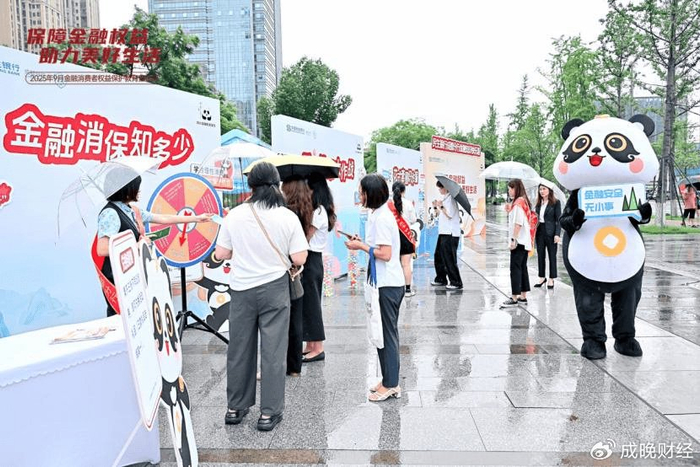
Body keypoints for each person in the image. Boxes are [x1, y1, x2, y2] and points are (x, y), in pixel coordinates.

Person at [214, 162, 308, 432]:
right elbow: (300, 257)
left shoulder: (234, 215)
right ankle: (268, 413)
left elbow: (221, 254)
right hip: (275, 289)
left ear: (251, 186)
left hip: (241, 289)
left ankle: (235, 408)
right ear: (277, 184)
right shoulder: (287, 216)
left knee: (239, 349)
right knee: (273, 351)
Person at [94, 175, 212, 317]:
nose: (139, 191)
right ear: (126, 189)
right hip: (117, 277)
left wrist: (197, 218)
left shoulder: (130, 210)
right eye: (136, 187)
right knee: (120, 316)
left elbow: (162, 218)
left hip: (131, 273)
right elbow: (102, 249)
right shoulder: (110, 213)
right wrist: (138, 245)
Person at [345, 174, 405, 402]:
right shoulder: (376, 214)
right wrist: (362, 242)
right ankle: (388, 378)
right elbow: (378, 247)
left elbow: (386, 254)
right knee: (381, 332)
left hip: (388, 284)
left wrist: (360, 246)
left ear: (370, 194)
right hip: (383, 282)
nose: (359, 196)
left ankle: (391, 384)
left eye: (361, 192)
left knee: (387, 334)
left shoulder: (382, 218)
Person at [280, 177, 315, 376]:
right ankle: (295, 366)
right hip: (297, 267)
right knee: (296, 319)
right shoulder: (307, 209)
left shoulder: (285, 214)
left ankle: (280, 364)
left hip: (284, 267)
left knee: (279, 321)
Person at [301, 173, 337, 363]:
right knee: (309, 304)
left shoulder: (319, 212)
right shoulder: (320, 210)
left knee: (313, 305)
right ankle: (310, 345)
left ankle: (318, 348)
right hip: (312, 259)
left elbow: (307, 236)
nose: (306, 191)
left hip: (312, 259)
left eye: (308, 188)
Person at [501, 179, 534, 308]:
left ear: (516, 189)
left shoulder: (518, 204)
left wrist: (513, 240)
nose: (509, 191)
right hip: (524, 241)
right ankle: (523, 296)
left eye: (510, 188)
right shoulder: (522, 201)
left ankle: (514, 297)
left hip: (519, 241)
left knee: (515, 269)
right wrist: (510, 209)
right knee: (522, 268)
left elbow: (518, 224)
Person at [430, 180, 463, 290]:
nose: (439, 190)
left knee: (449, 258)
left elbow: (450, 215)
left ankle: (456, 282)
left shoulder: (451, 199)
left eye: (440, 188)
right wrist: (436, 207)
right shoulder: (445, 198)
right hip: (443, 232)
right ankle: (441, 278)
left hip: (450, 233)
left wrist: (441, 206)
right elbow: (439, 215)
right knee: (438, 256)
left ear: (445, 188)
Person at [391, 181, 417, 297]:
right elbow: (413, 220)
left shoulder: (388, 204)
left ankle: (394, 288)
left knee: (393, 264)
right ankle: (407, 290)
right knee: (406, 264)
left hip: (392, 237)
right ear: (404, 191)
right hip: (405, 237)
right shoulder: (408, 203)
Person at [533, 182, 562, 289]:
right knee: (540, 255)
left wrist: (557, 234)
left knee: (552, 256)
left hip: (551, 232)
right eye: (540, 189)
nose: (542, 191)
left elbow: (558, 220)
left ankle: (551, 278)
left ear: (549, 190)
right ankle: (542, 277)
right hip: (539, 231)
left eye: (544, 189)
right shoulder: (538, 203)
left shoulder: (556, 202)